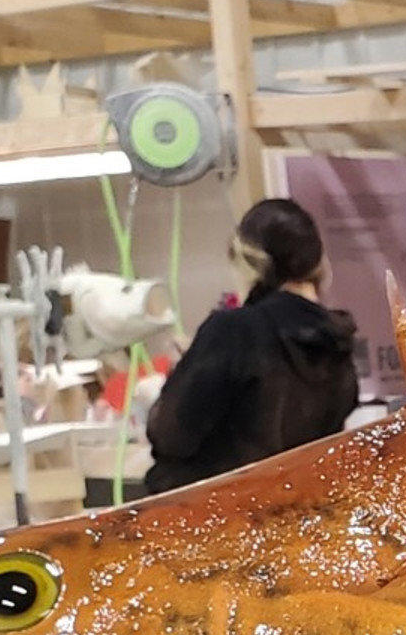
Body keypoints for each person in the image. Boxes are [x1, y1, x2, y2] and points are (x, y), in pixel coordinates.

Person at [141, 197, 360, 495]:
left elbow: (170, 435)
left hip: (222, 523)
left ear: (247, 262)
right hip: (299, 522)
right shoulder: (337, 343)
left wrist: (186, 369)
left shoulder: (234, 331)